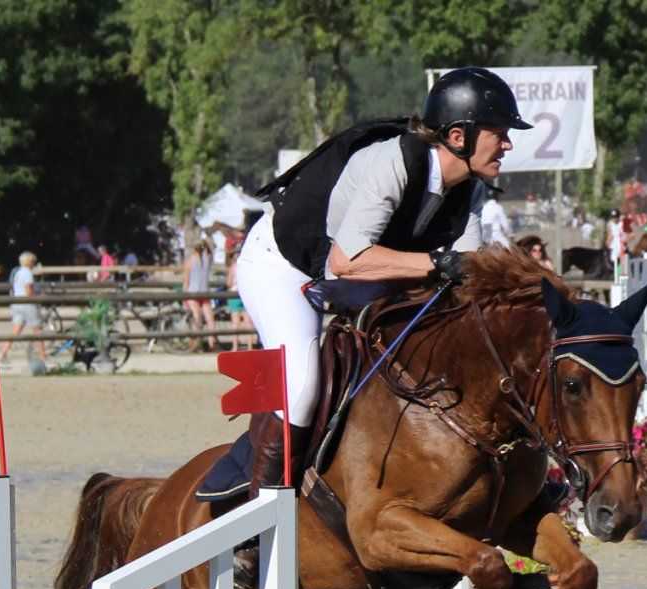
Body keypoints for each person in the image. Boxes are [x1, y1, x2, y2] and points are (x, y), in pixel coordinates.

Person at [237, 65, 525, 489]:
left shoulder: (470, 187)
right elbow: (347, 261)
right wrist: (436, 263)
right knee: (301, 385)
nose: (507, 143)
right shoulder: (391, 162)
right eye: (498, 132)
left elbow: (467, 269)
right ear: (458, 136)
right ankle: (257, 513)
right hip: (283, 266)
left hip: (355, 277)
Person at [9, 250, 45, 367]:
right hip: (27, 304)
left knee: (16, 331)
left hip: (17, 303)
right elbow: (29, 291)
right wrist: (38, 296)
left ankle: (3, 353)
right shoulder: (28, 273)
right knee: (37, 330)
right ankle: (43, 356)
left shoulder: (18, 272)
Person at [184, 241, 216, 348]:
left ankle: (196, 343)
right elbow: (211, 250)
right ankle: (212, 343)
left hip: (193, 292)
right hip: (204, 291)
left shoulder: (190, 261)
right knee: (209, 319)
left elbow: (186, 280)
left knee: (197, 317)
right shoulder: (208, 259)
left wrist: (184, 295)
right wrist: (205, 245)